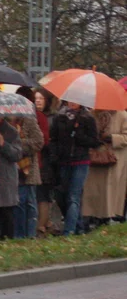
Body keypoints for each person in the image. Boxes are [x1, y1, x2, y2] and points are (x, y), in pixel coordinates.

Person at [48, 101, 101, 235]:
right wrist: (55, 155)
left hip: (80, 161)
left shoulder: (87, 118)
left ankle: (69, 230)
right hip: (63, 161)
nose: (72, 103)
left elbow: (94, 141)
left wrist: (78, 134)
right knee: (62, 195)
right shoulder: (60, 117)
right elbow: (53, 138)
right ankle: (78, 226)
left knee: (74, 196)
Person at [81, 107, 127, 225]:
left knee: (109, 189)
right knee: (93, 189)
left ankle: (108, 216)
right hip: (95, 156)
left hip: (114, 158)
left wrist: (111, 138)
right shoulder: (92, 115)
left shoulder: (122, 115)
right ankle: (93, 215)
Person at [12, 90, 44, 239]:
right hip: (13, 167)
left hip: (27, 168)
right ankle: (19, 235)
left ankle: (29, 234)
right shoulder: (8, 121)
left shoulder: (29, 120)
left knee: (28, 202)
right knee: (19, 203)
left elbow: (39, 142)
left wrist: (19, 143)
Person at [34, 89, 57, 235]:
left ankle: (42, 224)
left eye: (41, 98)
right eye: (36, 98)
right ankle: (46, 222)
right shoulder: (32, 116)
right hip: (38, 159)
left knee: (44, 193)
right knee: (39, 194)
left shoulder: (52, 118)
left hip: (47, 161)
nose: (38, 101)